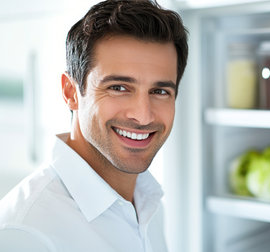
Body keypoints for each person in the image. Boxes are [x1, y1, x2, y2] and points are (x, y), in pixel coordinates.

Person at [0, 0, 188, 251]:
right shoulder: (26, 233)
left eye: (160, 91)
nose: (143, 116)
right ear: (71, 92)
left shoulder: (149, 202)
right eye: (119, 88)